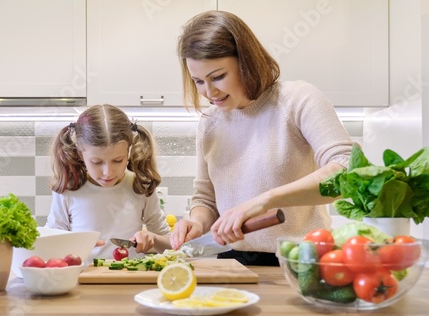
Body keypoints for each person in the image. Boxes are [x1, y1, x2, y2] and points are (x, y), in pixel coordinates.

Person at [169, 11, 354, 266]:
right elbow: (206, 199)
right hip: (233, 263)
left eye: (218, 77)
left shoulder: (298, 99)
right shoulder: (210, 122)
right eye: (198, 81)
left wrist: (264, 201)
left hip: (302, 260)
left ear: (247, 62)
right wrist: (195, 222)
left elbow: (346, 171)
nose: (209, 92)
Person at [46, 104, 171, 259]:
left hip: (130, 281)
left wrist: (153, 239)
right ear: (80, 153)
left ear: (128, 151)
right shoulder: (68, 189)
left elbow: (170, 246)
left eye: (118, 160)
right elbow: (49, 246)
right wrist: (74, 244)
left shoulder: (140, 186)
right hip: (81, 280)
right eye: (97, 162)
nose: (108, 172)